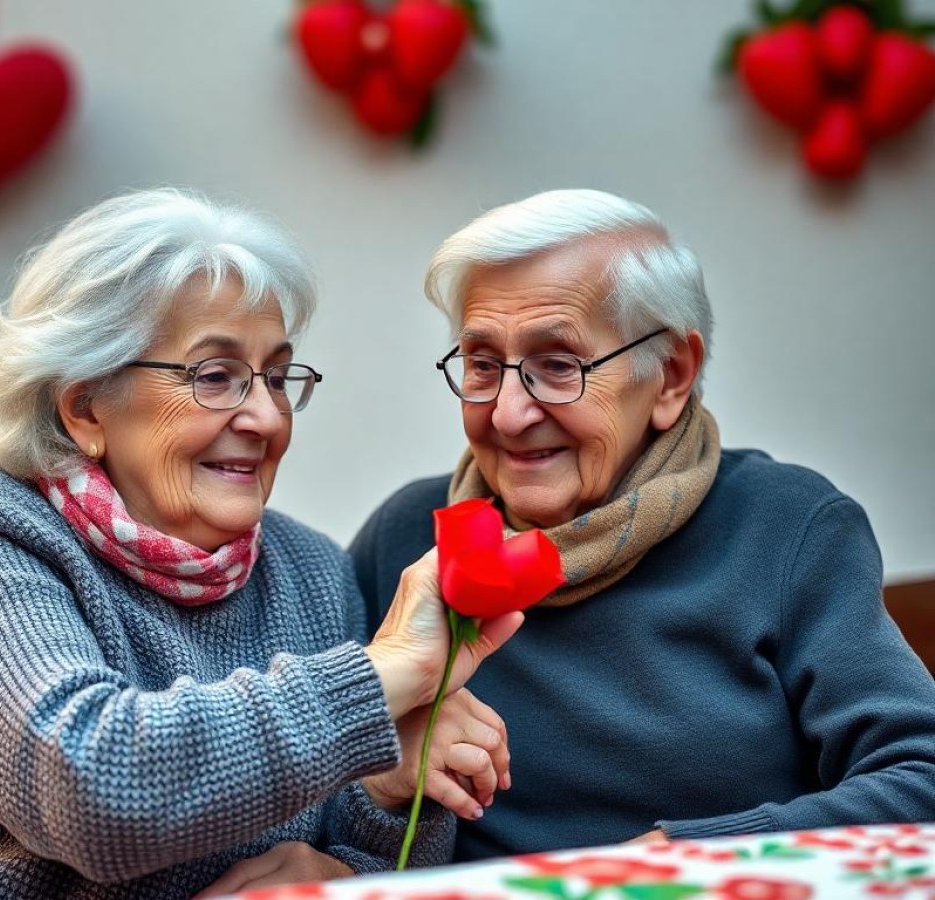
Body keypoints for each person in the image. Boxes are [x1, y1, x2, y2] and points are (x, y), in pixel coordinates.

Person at [0, 189, 522, 899]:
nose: (267, 416)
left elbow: (383, 862)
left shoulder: (308, 571)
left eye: (276, 376)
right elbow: (94, 793)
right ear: (86, 406)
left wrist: (369, 826)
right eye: (216, 377)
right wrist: (381, 676)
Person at [350, 188, 935, 862]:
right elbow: (333, 802)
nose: (509, 413)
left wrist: (665, 864)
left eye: (557, 366)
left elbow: (918, 779)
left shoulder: (788, 528)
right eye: (483, 364)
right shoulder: (404, 540)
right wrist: (370, 800)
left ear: (671, 377)